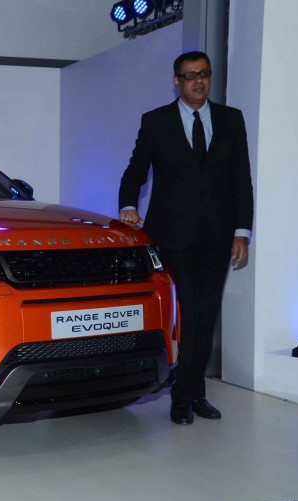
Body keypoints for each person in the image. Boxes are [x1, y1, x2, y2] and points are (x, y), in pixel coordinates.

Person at [118, 51, 254, 425]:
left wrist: (242, 231)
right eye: (190, 75)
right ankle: (183, 396)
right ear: (177, 81)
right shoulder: (156, 121)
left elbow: (241, 179)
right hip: (174, 234)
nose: (199, 81)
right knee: (191, 311)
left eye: (204, 74)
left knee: (205, 317)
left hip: (218, 234)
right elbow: (136, 170)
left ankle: (194, 392)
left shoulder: (230, 119)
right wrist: (128, 205)